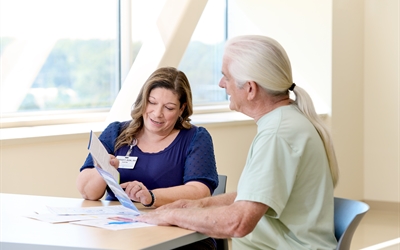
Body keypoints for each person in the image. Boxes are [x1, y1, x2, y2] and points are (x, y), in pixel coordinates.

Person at [136, 35, 340, 250]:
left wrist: (174, 215)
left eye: (226, 77)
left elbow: (238, 222)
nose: (221, 83)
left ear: (250, 89)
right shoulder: (286, 121)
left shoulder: (278, 134)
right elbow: (253, 197)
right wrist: (197, 205)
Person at [76, 66, 219, 209]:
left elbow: (200, 192)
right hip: (115, 225)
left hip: (167, 224)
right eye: (152, 102)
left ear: (182, 109)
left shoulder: (196, 138)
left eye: (169, 108)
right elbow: (87, 193)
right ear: (143, 100)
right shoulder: (116, 132)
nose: (157, 113)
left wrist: (151, 197)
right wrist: (104, 169)